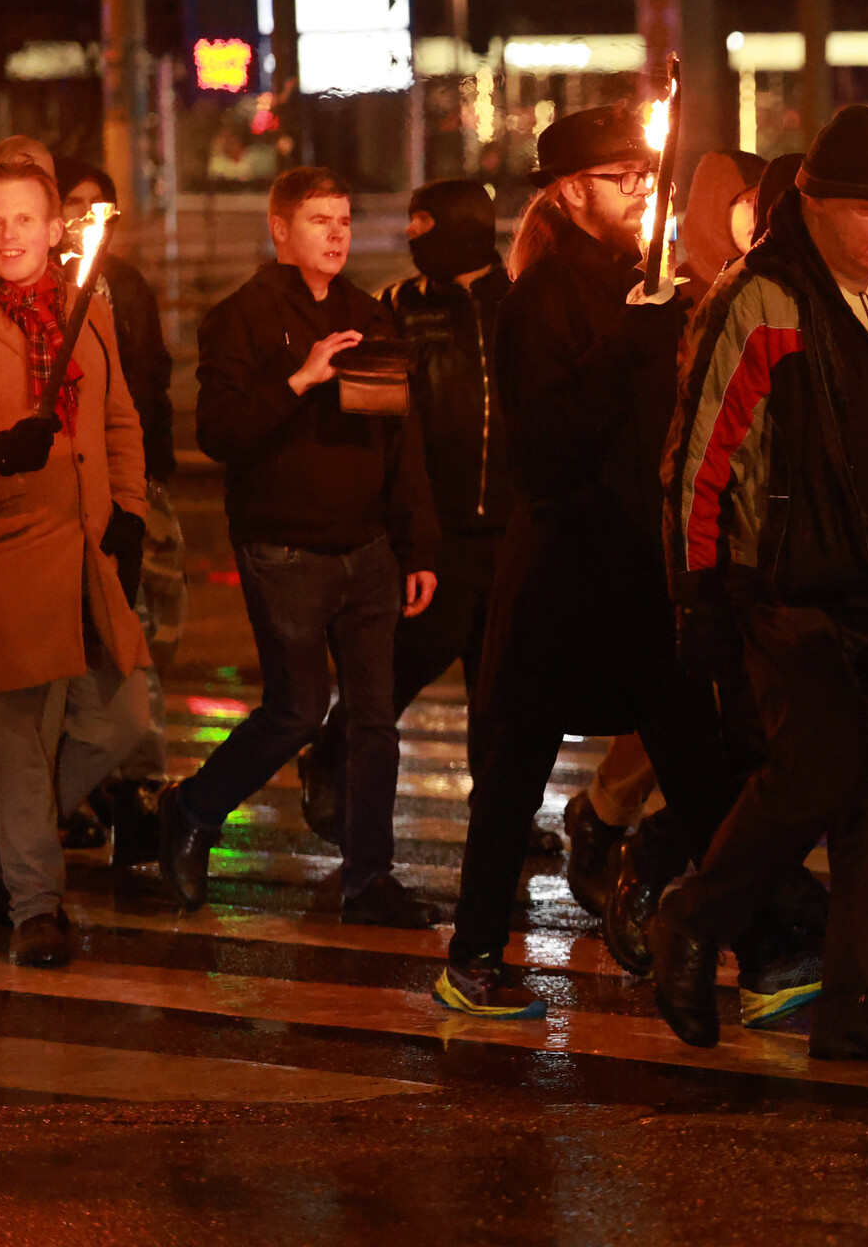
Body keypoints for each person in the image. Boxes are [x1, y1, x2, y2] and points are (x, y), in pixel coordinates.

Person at [650, 107, 868, 1060]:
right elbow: (702, 456)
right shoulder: (761, 298)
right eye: (867, 207)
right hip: (784, 588)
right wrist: (696, 592)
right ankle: (692, 918)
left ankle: (858, 1000)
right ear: (812, 203)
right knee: (813, 771)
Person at [433, 105, 704, 1018]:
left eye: (646, 176)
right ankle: (473, 957)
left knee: (698, 762)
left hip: (636, 571)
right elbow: (545, 453)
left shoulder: (643, 283)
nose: (641, 193)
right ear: (573, 191)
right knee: (513, 778)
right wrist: (628, 347)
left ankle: (764, 944)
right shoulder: (539, 298)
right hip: (560, 577)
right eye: (623, 178)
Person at [160, 167, 443, 929]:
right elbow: (218, 432)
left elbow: (400, 441)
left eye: (344, 220)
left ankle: (369, 877)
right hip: (283, 550)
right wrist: (300, 379)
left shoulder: (370, 316)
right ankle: (193, 808)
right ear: (280, 228)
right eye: (320, 220)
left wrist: (418, 546)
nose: (337, 234)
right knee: (296, 711)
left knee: (375, 718)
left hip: (369, 550)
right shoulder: (241, 318)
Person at [0, 158, 156, 965]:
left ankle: (6, 831)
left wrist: (131, 510)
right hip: (2, 567)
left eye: (23, 220)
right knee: (18, 746)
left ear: (54, 230)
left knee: (122, 719)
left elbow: (119, 420)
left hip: (86, 564)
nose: (9, 236)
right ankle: (35, 911)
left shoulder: (89, 314)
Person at [572, 149, 764, 917]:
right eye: (747, 203)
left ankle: (636, 839)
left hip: (732, 532)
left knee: (710, 719)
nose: (759, 219)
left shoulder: (758, 292)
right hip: (674, 531)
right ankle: (624, 837)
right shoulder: (676, 300)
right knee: (689, 711)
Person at [297, 181, 515, 854]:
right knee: (407, 660)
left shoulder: (520, 303)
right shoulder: (394, 308)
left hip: (511, 529)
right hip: (433, 531)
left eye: (425, 221)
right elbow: (375, 428)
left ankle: (500, 811)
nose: (414, 235)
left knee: (501, 683)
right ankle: (331, 756)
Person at [53, 157, 175, 866]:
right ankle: (64, 806)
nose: (87, 217)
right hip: (64, 499)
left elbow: (143, 390)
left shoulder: (123, 287)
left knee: (136, 649)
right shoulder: (41, 290)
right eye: (74, 203)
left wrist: (142, 488)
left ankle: (134, 791)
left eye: (100, 205)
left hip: (123, 493)